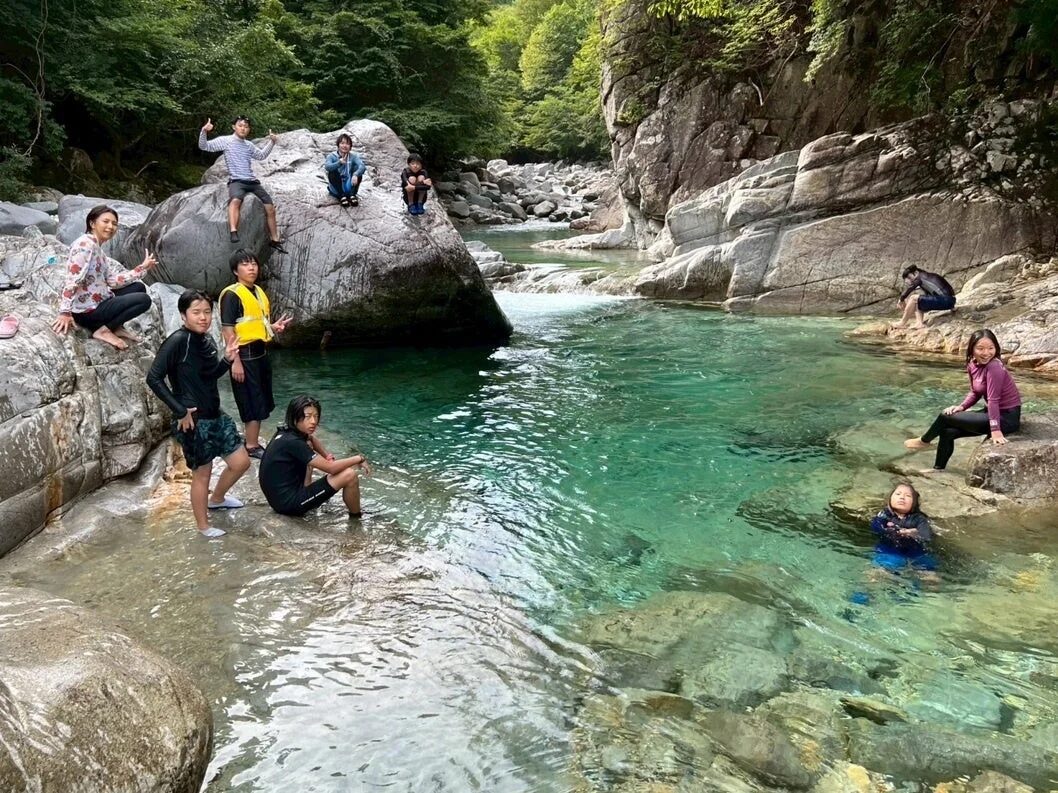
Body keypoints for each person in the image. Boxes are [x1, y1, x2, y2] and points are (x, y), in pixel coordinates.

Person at [147, 289, 251, 538]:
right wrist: (180, 410)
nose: (203, 317)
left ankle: (217, 499)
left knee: (241, 462)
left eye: (206, 312)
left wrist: (227, 360)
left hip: (215, 413)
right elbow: (153, 377)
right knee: (202, 473)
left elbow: (208, 376)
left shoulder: (206, 340)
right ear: (183, 315)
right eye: (196, 312)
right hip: (193, 420)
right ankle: (203, 526)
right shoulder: (177, 341)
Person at [905, 328, 1022, 470]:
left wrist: (995, 430)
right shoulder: (972, 364)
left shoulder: (994, 367)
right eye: (980, 348)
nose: (986, 353)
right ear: (972, 349)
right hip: (990, 413)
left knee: (945, 416)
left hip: (1007, 418)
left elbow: (993, 400)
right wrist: (962, 407)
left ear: (996, 349)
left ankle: (924, 441)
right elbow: (975, 392)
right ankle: (938, 469)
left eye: (991, 348)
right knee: (948, 431)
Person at [219, 249, 293, 459]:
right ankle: (251, 445)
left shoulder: (257, 291)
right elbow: (228, 329)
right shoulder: (232, 294)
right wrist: (235, 362)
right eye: (245, 264)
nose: (251, 268)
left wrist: (273, 327)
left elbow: (253, 324)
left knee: (261, 399)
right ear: (235, 270)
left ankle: (252, 439)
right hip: (244, 354)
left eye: (254, 264)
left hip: (260, 353)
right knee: (250, 400)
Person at [51, 205, 157, 350]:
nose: (110, 226)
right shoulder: (84, 245)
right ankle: (103, 330)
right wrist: (64, 312)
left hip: (98, 300)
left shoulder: (97, 249)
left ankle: (116, 326)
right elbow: (73, 279)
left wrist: (142, 268)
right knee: (143, 300)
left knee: (139, 287)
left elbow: (112, 281)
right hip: (86, 311)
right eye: (105, 222)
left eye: (114, 224)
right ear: (92, 223)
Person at [259, 395, 371, 518]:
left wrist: (326, 455)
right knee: (349, 475)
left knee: (308, 443)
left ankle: (309, 494)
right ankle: (356, 517)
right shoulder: (293, 442)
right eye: (308, 416)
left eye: (316, 416)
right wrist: (359, 458)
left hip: (281, 499)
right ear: (294, 416)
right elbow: (331, 468)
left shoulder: (286, 433)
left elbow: (311, 438)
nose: (313, 421)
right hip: (289, 505)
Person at [199, 116, 287, 252]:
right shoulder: (226, 141)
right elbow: (204, 146)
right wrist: (204, 131)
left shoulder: (249, 145)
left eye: (246, 126)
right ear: (234, 127)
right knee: (235, 201)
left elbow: (261, 156)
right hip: (236, 180)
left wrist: (272, 142)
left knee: (270, 207)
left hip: (251, 180)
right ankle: (233, 231)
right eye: (240, 125)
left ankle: (275, 239)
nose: (243, 128)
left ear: (249, 129)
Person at [869, 482, 936, 575]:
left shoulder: (919, 518)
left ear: (914, 502)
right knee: (881, 571)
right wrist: (891, 530)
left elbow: (927, 536)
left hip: (916, 551)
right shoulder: (885, 514)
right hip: (890, 550)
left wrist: (915, 533)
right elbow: (875, 527)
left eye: (908, 496)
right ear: (890, 499)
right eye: (898, 494)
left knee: (929, 571)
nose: (902, 497)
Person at [894, 265, 956, 329]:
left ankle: (902, 322)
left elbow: (910, 289)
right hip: (950, 301)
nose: (910, 280)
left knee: (913, 298)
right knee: (917, 300)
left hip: (946, 300)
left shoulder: (920, 278)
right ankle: (919, 323)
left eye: (909, 277)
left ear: (916, 273)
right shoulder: (927, 276)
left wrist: (901, 299)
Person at [323, 133, 366, 207]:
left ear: (350, 146)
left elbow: (362, 166)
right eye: (342, 143)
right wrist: (339, 163)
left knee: (357, 169)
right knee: (332, 171)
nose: (345, 146)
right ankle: (342, 196)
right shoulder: (332, 156)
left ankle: (352, 195)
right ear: (338, 145)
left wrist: (356, 174)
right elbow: (327, 167)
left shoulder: (353, 156)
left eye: (347, 144)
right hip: (337, 187)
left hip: (349, 184)